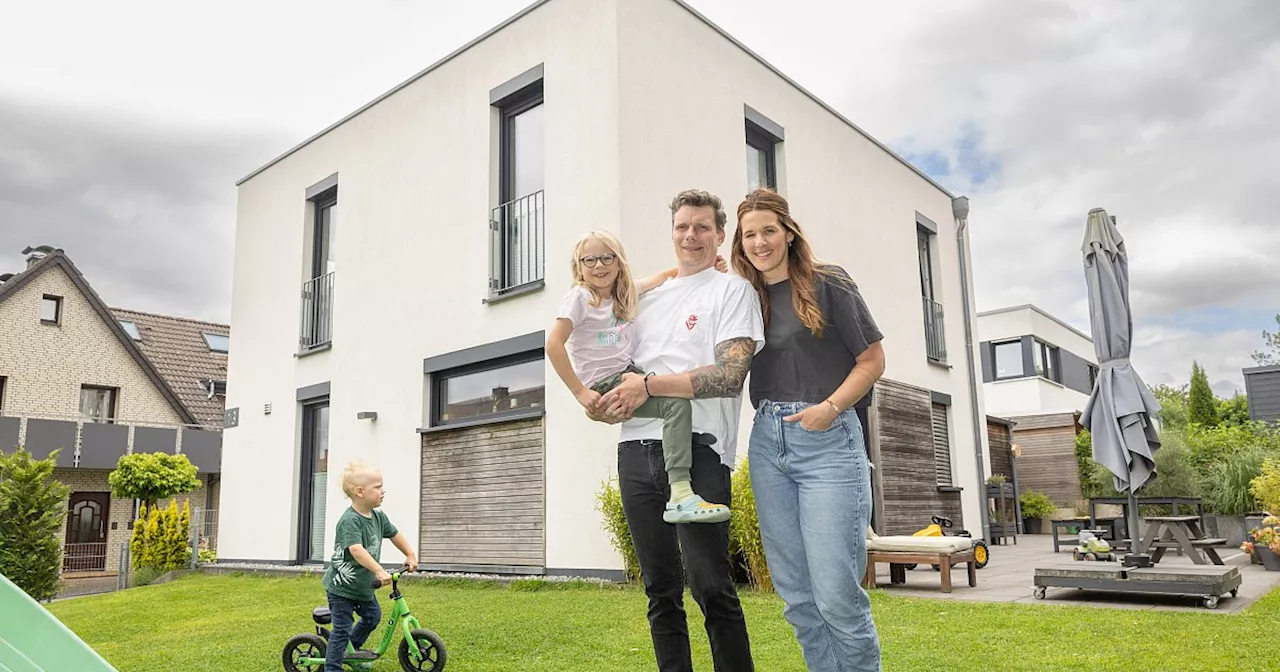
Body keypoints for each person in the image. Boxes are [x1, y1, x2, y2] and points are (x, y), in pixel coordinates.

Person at [593, 188, 764, 672]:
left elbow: (730, 377)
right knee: (659, 589)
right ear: (672, 232)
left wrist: (647, 385)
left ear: (719, 234)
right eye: (683, 226)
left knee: (711, 584)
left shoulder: (732, 291)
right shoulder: (649, 299)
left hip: (701, 450)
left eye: (702, 226)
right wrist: (601, 402)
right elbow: (606, 353)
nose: (691, 235)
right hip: (634, 450)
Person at [730, 187, 886, 672]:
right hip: (768, 444)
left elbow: (872, 360)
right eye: (749, 234)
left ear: (789, 233)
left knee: (837, 596)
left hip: (827, 440)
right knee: (797, 596)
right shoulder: (744, 296)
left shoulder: (829, 282)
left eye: (768, 231)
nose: (760, 242)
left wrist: (831, 407)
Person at [548, 230, 732, 523]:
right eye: (590, 260)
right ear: (579, 267)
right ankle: (681, 493)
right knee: (675, 403)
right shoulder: (581, 298)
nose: (599, 265)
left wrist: (705, 269)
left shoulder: (625, 294)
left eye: (607, 257)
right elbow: (553, 344)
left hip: (628, 374)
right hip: (606, 383)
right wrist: (580, 393)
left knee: (669, 380)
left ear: (618, 261)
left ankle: (688, 440)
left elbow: (662, 277)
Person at [320, 461, 418, 672]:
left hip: (363, 587)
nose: (383, 491)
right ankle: (332, 668)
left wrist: (409, 554)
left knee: (373, 617)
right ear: (360, 492)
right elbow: (356, 550)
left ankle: (352, 651)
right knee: (342, 629)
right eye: (378, 487)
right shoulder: (350, 521)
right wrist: (379, 570)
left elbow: (394, 534)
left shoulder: (378, 517)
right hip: (342, 589)